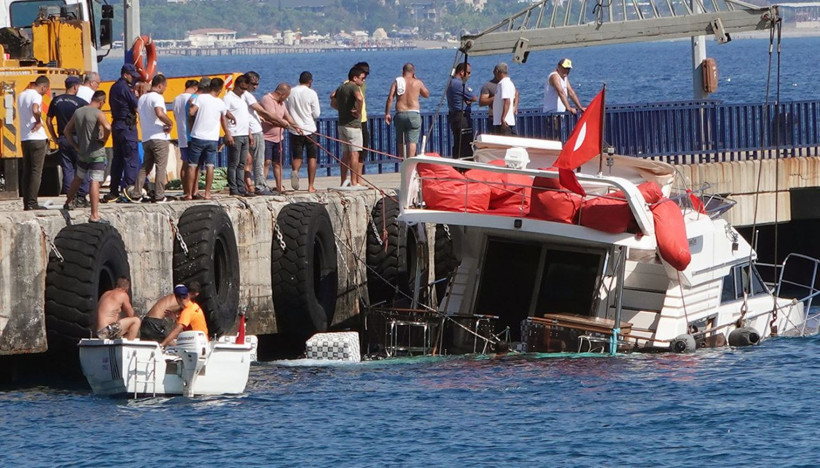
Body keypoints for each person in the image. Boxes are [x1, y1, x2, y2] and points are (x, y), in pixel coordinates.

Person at [63, 90, 112, 223]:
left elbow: (66, 130)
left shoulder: (78, 112)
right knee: (94, 181)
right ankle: (94, 215)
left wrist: (75, 145)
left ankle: (68, 202)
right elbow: (108, 127)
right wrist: (104, 139)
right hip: (96, 153)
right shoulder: (98, 113)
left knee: (78, 178)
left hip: (82, 152)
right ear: (102, 102)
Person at [187, 77, 233, 199]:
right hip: (212, 138)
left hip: (197, 136)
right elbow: (224, 118)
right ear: (220, 89)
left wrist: (191, 106)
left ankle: (190, 194)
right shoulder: (220, 103)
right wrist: (228, 131)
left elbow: (191, 112)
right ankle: (207, 193)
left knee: (192, 165)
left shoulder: (201, 98)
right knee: (210, 166)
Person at [131, 74, 173, 203]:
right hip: (159, 136)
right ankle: (160, 195)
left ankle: (136, 193)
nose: (165, 89)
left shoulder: (142, 98)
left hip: (146, 138)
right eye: (164, 87)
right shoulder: (157, 97)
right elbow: (159, 113)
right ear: (160, 85)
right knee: (161, 166)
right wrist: (170, 123)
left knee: (145, 167)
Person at [46, 76, 88, 204]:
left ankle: (70, 197)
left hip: (63, 138)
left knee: (67, 168)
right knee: (82, 167)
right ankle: (81, 196)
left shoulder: (56, 101)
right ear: (75, 86)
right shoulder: (81, 102)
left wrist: (54, 137)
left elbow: (48, 121)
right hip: (77, 138)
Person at [105, 63, 142, 203]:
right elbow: (136, 106)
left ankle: (114, 190)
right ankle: (129, 190)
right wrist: (138, 96)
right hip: (127, 127)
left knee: (118, 159)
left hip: (117, 125)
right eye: (132, 76)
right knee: (131, 158)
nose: (133, 79)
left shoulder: (114, 87)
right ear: (125, 75)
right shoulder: (125, 88)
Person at [242, 71, 281, 196]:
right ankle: (260, 186)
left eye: (257, 84)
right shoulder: (247, 96)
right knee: (258, 161)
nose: (256, 86)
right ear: (246, 83)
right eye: (253, 84)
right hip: (255, 132)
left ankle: (248, 186)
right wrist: (279, 121)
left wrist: (259, 117)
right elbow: (261, 110)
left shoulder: (240, 96)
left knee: (247, 161)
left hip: (249, 130)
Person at [19, 75, 50, 211]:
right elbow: (35, 109)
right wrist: (38, 121)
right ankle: (32, 203)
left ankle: (27, 203)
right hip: (37, 138)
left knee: (27, 171)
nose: (45, 92)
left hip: (25, 138)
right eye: (46, 89)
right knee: (36, 171)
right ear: (43, 87)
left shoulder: (21, 95)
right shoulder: (36, 95)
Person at [384, 63, 430, 159]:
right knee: (412, 141)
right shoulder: (417, 82)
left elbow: (390, 98)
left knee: (400, 140)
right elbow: (426, 94)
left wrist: (387, 113)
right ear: (413, 72)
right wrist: (416, 80)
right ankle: (410, 162)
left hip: (400, 113)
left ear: (403, 71)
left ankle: (403, 160)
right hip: (414, 113)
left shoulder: (397, 82)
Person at [260, 83, 299, 193]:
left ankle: (279, 186)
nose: (286, 98)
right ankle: (262, 185)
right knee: (266, 162)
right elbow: (273, 117)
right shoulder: (267, 99)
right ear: (282, 94)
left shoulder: (282, 103)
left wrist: (296, 126)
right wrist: (284, 124)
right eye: (287, 96)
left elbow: (287, 116)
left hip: (278, 138)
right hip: (266, 137)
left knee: (278, 163)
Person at [330, 66, 366, 187]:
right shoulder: (354, 87)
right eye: (362, 78)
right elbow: (359, 98)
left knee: (345, 155)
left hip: (342, 124)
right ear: (355, 78)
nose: (363, 81)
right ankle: (354, 181)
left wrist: (340, 108)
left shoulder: (341, 87)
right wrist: (358, 112)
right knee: (355, 154)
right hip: (353, 125)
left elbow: (332, 97)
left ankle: (343, 181)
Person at [286, 71, 321, 192]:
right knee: (312, 157)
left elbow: (286, 110)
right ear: (310, 81)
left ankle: (295, 171)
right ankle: (310, 186)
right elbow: (316, 114)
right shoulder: (312, 93)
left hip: (295, 129)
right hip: (309, 129)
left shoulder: (291, 92)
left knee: (297, 156)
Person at [224, 74, 253, 196]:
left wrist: (249, 133)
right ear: (236, 85)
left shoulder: (243, 98)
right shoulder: (228, 97)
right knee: (234, 163)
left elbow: (244, 117)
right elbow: (224, 114)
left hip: (244, 133)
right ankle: (233, 188)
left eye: (245, 89)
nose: (243, 91)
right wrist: (228, 133)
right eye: (242, 88)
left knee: (242, 163)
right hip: (235, 134)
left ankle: (241, 188)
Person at [543, 58, 586, 139]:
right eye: (565, 68)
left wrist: (580, 108)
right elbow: (561, 92)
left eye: (568, 69)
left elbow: (571, 92)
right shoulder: (554, 76)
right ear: (558, 67)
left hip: (560, 115)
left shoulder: (564, 78)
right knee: (554, 139)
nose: (566, 71)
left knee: (561, 138)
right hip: (552, 115)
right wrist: (568, 108)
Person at [172, 79, 199, 199]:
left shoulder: (176, 99)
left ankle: (185, 190)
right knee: (194, 165)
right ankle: (193, 191)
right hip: (191, 135)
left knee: (185, 163)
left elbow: (175, 115)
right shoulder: (193, 98)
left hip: (181, 135)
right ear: (195, 88)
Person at [446, 62, 477, 159]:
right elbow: (474, 97)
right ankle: (466, 164)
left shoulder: (450, 82)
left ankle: (457, 163)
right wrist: (468, 99)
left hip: (453, 115)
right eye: (468, 73)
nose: (469, 75)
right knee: (466, 143)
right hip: (461, 117)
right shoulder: (460, 84)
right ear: (462, 72)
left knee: (458, 143)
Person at [353, 62, 371, 166]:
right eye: (364, 76)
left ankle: (358, 175)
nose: (365, 79)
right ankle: (352, 175)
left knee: (362, 152)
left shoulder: (362, 85)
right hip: (356, 120)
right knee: (353, 152)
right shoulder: (350, 84)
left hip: (363, 120)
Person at [492, 63, 517, 136]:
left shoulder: (504, 84)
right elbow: (516, 94)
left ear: (497, 71)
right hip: (503, 122)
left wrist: (503, 118)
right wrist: (515, 106)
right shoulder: (508, 83)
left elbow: (507, 101)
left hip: (504, 122)